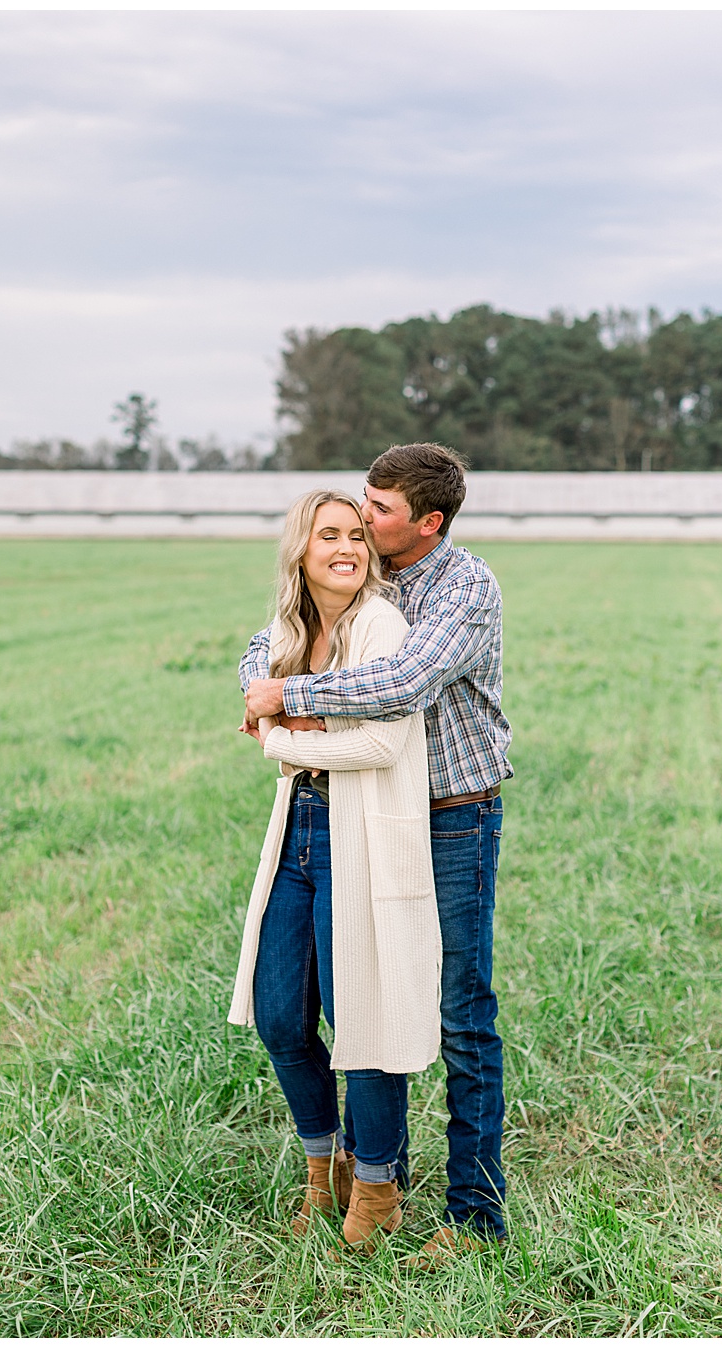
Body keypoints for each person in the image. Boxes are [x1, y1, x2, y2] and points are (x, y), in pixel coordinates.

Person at [241, 442, 511, 1268]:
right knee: (362, 990)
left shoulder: (461, 587)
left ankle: (474, 1214)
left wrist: (287, 706)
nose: (361, 522)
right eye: (358, 507)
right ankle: (366, 1173)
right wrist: (263, 679)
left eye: (379, 512)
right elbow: (280, 631)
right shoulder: (375, 576)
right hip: (362, 813)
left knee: (457, 1014)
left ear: (427, 523)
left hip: (452, 817)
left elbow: (398, 687)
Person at [228, 490, 441, 1252]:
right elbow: (255, 683)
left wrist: (286, 742)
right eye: (330, 536)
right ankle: (326, 1169)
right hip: (299, 834)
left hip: (363, 835)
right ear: (302, 550)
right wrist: (276, 714)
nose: (347, 547)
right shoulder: (290, 632)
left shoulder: (382, 624)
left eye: (358, 535)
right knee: (282, 1015)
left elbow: (382, 747)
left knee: (366, 1017)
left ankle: (378, 1185)